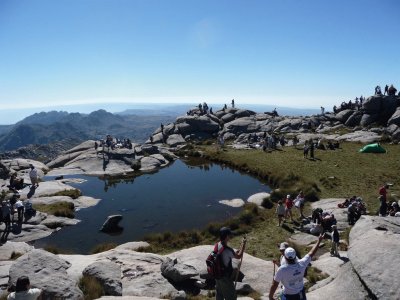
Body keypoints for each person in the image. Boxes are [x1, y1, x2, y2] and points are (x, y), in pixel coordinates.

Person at [269, 234, 324, 300]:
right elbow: (312, 252)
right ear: (295, 256)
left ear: (285, 258)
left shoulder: (282, 270)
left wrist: (270, 297)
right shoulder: (302, 263)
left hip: (288, 296)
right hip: (301, 294)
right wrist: (319, 241)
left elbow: (274, 285)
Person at [215, 227, 244, 300]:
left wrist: (234, 253)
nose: (230, 236)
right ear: (227, 236)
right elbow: (239, 256)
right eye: (229, 235)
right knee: (232, 297)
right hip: (225, 277)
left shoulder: (217, 245)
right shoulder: (227, 249)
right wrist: (243, 245)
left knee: (220, 294)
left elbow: (223, 257)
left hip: (217, 274)